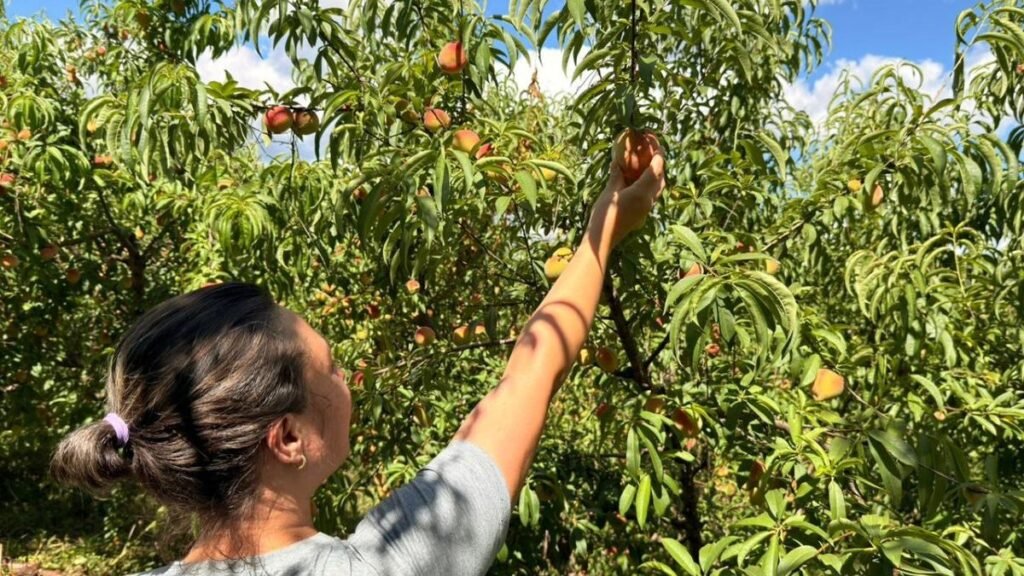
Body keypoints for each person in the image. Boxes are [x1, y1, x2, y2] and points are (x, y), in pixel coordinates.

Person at [49, 137, 666, 576]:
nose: (349, 384)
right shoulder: (393, 564)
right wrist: (606, 222)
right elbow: (530, 374)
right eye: (334, 369)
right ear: (287, 437)